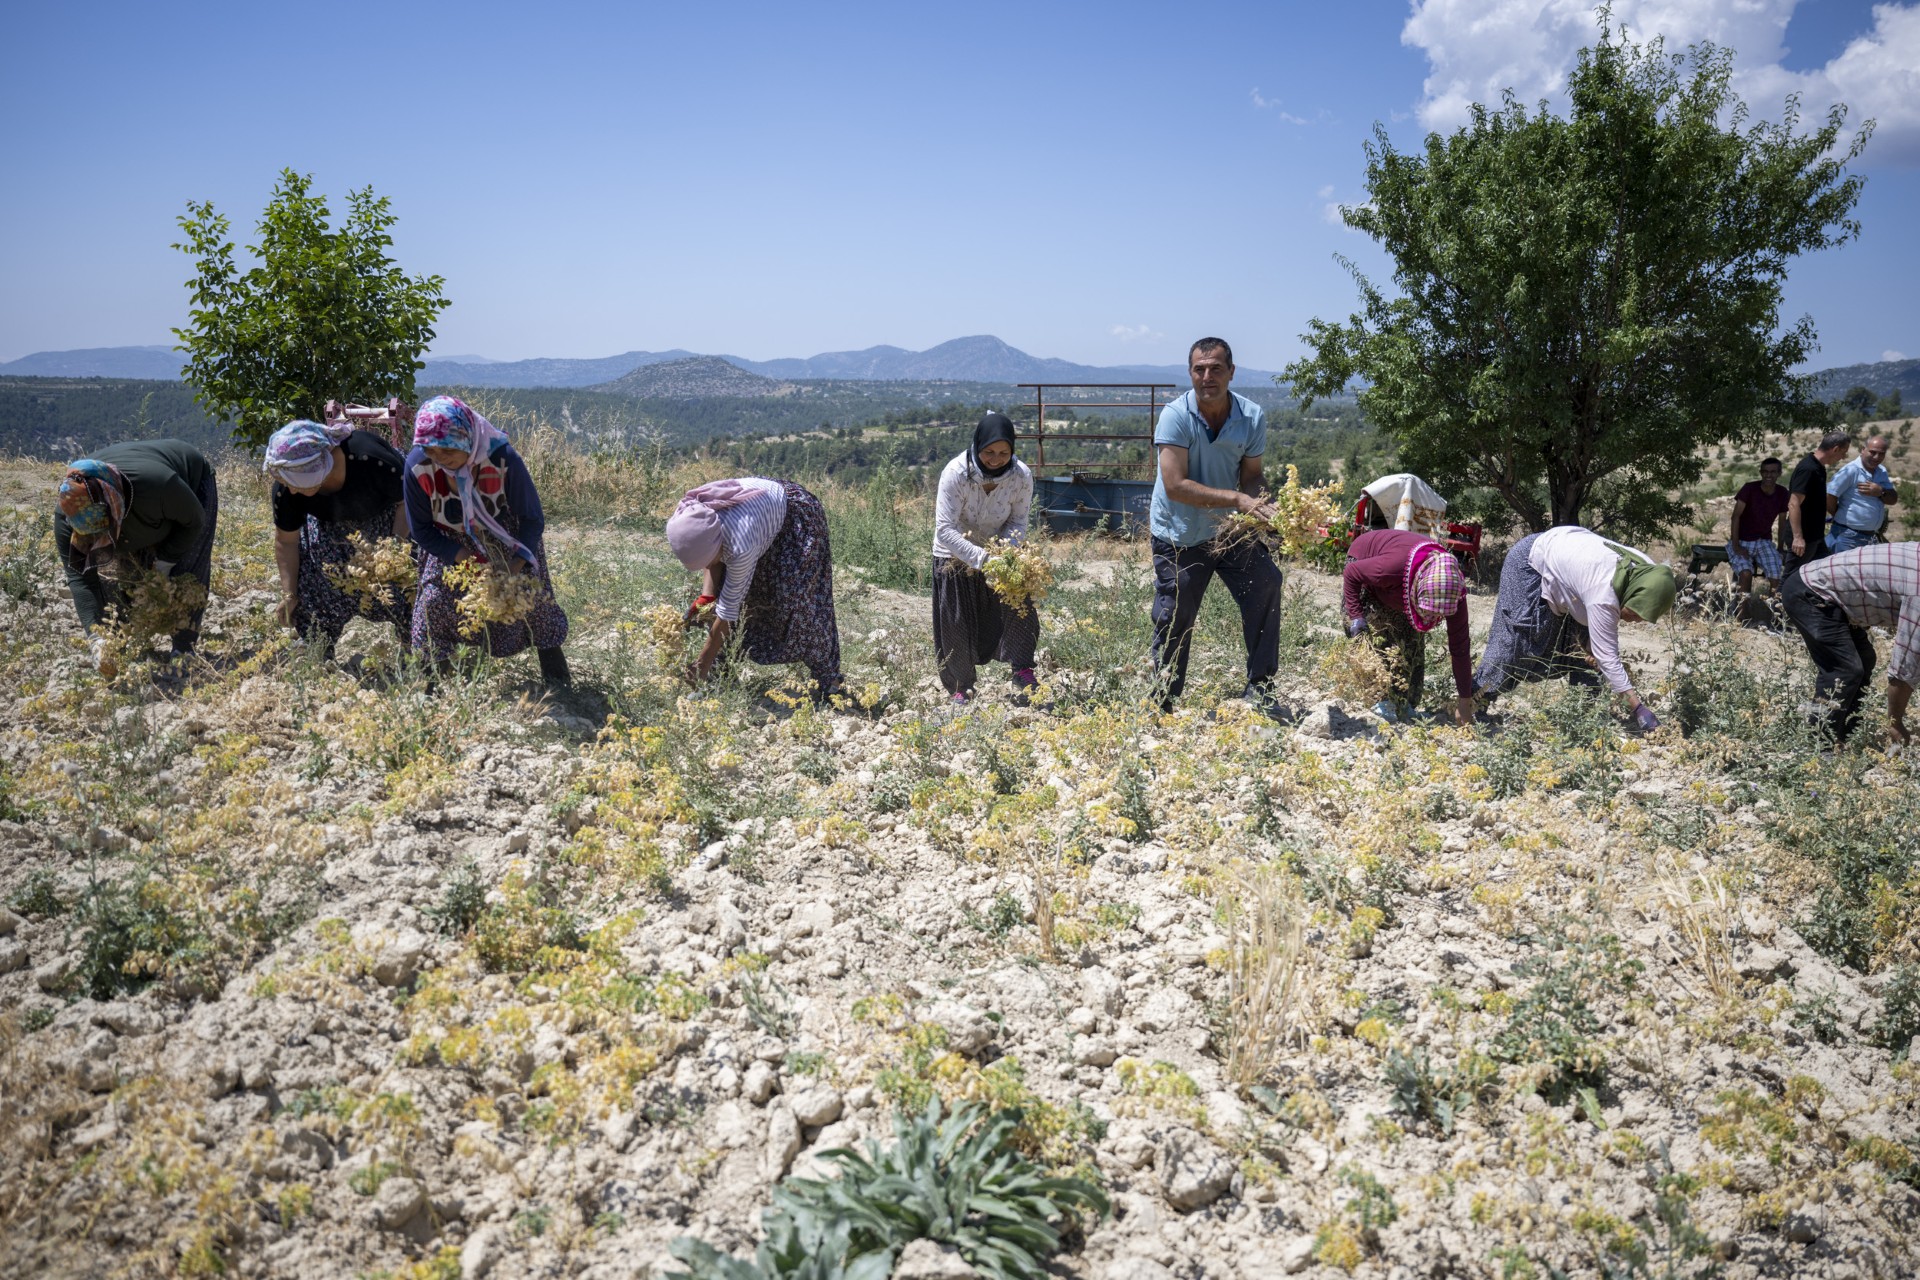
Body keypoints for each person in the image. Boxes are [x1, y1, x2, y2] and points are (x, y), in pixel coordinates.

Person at [1147, 337, 1283, 714]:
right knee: (1176, 612)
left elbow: (1252, 476)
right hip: (1180, 533)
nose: (1207, 376)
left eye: (1216, 369)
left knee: (1267, 583)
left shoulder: (1251, 417)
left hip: (1228, 532)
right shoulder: (1176, 416)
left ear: (1231, 372)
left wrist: (1262, 504)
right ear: (1190, 373)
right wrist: (1239, 500)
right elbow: (1175, 486)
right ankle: (1163, 700)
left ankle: (1261, 686)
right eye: (1199, 369)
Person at [403, 396, 571, 684]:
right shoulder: (418, 468)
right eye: (431, 451)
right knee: (433, 603)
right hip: (449, 540)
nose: (440, 458)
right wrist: (463, 558)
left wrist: (514, 564)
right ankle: (428, 688)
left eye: (447, 449)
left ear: (467, 438)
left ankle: (558, 682)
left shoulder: (502, 458)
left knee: (532, 600)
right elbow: (420, 529)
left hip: (506, 536)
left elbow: (532, 519)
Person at [1471, 525, 1676, 731]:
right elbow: (1609, 658)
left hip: (1573, 571)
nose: (1633, 620)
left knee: (1586, 654)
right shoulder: (1603, 593)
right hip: (1532, 563)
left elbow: (1601, 649)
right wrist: (1638, 708)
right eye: (1633, 613)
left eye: (1641, 618)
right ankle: (1474, 700)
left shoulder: (1650, 574)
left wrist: (1591, 646)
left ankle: (1580, 714)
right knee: (1518, 639)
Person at [666, 476, 844, 701]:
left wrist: (701, 663)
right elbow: (712, 558)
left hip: (795, 520)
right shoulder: (693, 518)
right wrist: (707, 596)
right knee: (727, 598)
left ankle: (829, 680)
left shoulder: (740, 546)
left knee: (796, 605)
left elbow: (728, 611)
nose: (708, 565)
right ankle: (721, 671)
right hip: (759, 517)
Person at [53, 438, 218, 662]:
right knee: (118, 576)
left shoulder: (159, 486)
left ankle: (183, 650)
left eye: (106, 531)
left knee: (187, 567)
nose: (104, 540)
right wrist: (96, 638)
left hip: (189, 487)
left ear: (116, 507)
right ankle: (116, 646)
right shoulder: (68, 515)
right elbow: (81, 579)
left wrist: (164, 563)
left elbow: (194, 521)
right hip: (143, 509)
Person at [263, 418, 412, 657]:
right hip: (327, 525)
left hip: (389, 521)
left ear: (318, 465)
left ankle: (416, 650)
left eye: (297, 481)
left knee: (402, 582)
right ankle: (316, 645)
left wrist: (393, 548)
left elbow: (407, 503)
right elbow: (286, 540)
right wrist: (289, 595)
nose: (292, 490)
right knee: (318, 581)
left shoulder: (372, 461)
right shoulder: (287, 488)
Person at [931, 411, 1039, 705]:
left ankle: (1023, 670)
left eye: (1004, 452)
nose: (995, 459)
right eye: (989, 452)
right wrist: (983, 559)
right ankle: (960, 687)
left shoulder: (1020, 477)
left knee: (1019, 609)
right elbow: (944, 530)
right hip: (954, 553)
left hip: (999, 552)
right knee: (956, 623)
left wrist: (1006, 553)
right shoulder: (956, 473)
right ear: (977, 446)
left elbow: (1018, 521)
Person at [1780, 543, 1916, 747]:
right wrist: (1895, 723)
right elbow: (1905, 666)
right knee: (1844, 669)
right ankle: (1818, 744)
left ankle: (1845, 736)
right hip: (1811, 591)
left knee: (1864, 659)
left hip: (1826, 593)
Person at [1341, 529, 1474, 726]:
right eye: (1428, 610)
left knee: (1411, 643)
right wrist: (1356, 616)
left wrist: (1465, 701)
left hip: (1402, 581)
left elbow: (1460, 648)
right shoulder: (1390, 569)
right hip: (1366, 564)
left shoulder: (1453, 596)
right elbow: (1352, 574)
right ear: (1418, 590)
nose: (1432, 618)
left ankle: (1406, 704)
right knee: (1379, 639)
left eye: (1438, 615)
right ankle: (1380, 702)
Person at [1785, 431, 1852, 573]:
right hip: (1804, 538)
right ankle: (1779, 596)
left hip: (1815, 536)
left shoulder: (1819, 468)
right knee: (1791, 577)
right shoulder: (1808, 469)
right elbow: (1793, 503)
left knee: (1823, 574)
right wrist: (1798, 538)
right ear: (1835, 449)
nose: (1843, 457)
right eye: (1843, 452)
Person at [1826, 434, 1899, 554]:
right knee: (1844, 572)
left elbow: (1893, 499)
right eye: (1873, 452)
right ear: (1863, 449)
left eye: (1881, 453)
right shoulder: (1850, 471)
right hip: (1847, 537)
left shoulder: (1882, 471)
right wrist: (1838, 514)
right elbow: (1829, 495)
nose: (1876, 457)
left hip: (1870, 538)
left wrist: (1881, 491)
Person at [1727, 458, 1790, 592]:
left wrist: (1780, 547)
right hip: (1743, 540)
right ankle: (1741, 612)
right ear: (1761, 473)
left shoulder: (1782, 493)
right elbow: (1736, 516)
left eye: (1773, 472)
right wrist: (1736, 545)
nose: (1769, 475)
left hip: (1764, 541)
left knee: (1776, 577)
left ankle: (1774, 611)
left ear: (1779, 473)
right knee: (1745, 574)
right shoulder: (1749, 489)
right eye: (1765, 472)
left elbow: (1782, 521)